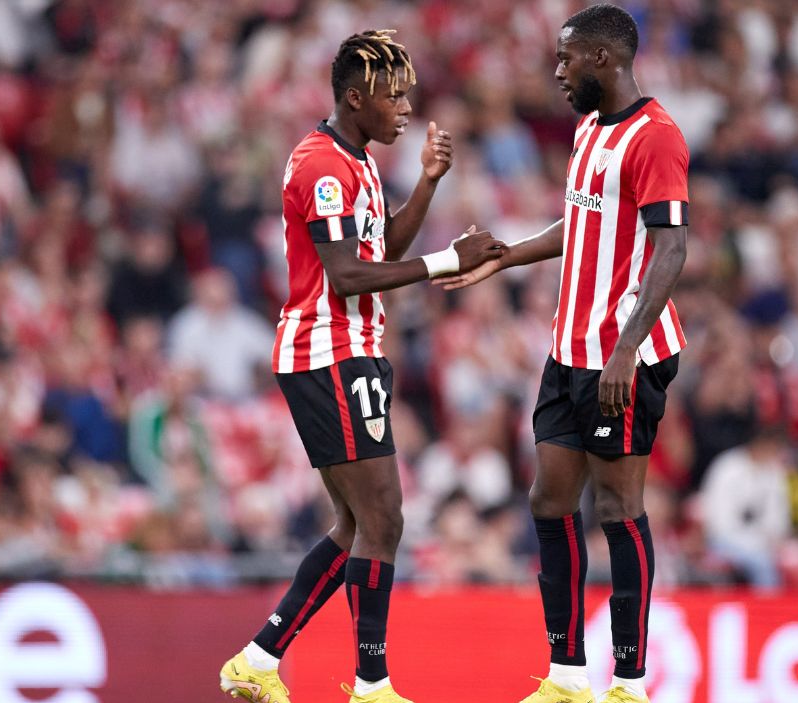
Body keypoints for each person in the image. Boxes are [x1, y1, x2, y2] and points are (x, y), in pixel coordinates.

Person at [217, 29, 505, 703]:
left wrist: (429, 185)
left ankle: (260, 656)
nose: (405, 108)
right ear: (354, 98)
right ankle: (371, 684)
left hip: (352, 351)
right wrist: (446, 264)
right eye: (392, 95)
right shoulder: (321, 165)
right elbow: (348, 277)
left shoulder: (358, 159)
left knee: (358, 525)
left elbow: (380, 247)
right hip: (326, 350)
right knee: (384, 518)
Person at [437, 6, 689, 703]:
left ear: (603, 59)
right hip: (568, 348)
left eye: (566, 58)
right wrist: (507, 257)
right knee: (549, 499)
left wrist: (627, 350)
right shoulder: (587, 128)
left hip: (621, 355)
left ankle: (630, 683)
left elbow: (672, 248)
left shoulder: (657, 137)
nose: (556, 70)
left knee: (618, 506)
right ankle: (567, 674)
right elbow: (583, 220)